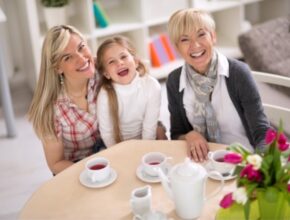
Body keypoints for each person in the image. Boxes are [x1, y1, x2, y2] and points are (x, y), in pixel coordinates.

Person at [166, 8, 270, 162]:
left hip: (244, 158)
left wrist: (259, 165)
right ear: (177, 48)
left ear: (213, 36)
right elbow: (176, 133)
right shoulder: (174, 81)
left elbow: (262, 131)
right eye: (184, 39)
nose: (195, 45)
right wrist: (190, 135)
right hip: (203, 162)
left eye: (201, 34)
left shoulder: (238, 73)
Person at [28, 25, 103, 175]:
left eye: (81, 47)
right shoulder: (51, 109)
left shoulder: (104, 70)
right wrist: (91, 173)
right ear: (57, 68)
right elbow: (56, 163)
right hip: (75, 169)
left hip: (111, 153)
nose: (81, 59)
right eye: (68, 57)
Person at [96, 36, 163, 147]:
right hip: (117, 146)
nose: (119, 63)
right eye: (111, 61)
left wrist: (144, 150)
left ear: (136, 61)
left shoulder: (152, 86)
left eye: (123, 56)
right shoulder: (105, 95)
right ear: (106, 73)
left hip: (147, 139)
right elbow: (107, 134)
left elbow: (149, 128)